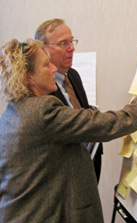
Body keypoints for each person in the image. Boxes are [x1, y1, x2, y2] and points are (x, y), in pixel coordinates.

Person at [0, 38, 137, 223]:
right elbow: (112, 125)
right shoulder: (43, 111)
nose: (54, 69)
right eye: (46, 64)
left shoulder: (13, 112)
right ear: (28, 76)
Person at [35, 18, 103, 183]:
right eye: (63, 43)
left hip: (88, 165)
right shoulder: (39, 90)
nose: (72, 48)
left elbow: (85, 118)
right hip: (63, 178)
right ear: (43, 49)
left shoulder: (73, 75)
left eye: (72, 41)